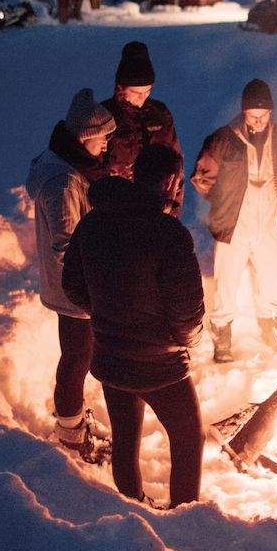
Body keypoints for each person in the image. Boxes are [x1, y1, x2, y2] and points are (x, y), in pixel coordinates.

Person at [62, 144, 205, 507]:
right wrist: (185, 342)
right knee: (188, 438)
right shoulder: (168, 234)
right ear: (171, 181)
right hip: (160, 365)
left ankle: (131, 507)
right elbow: (187, 312)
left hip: (112, 356)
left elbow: (73, 286)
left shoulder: (92, 223)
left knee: (126, 436)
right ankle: (185, 518)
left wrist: (107, 316)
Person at [26, 88, 115, 452]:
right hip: (74, 289)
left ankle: (73, 420)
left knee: (78, 354)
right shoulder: (62, 181)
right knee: (77, 357)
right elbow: (66, 245)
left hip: (75, 285)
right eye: (102, 139)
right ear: (84, 138)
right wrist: (89, 288)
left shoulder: (67, 165)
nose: (107, 145)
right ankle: (70, 434)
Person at [191, 79, 277, 362]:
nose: (259, 120)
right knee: (227, 284)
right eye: (253, 115)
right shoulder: (223, 140)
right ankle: (222, 339)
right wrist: (223, 201)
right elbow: (201, 177)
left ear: (271, 112)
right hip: (233, 226)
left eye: (264, 115)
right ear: (243, 113)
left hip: (269, 225)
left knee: (270, 282)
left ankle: (272, 331)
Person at [102, 40, 184, 216]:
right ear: (120, 87)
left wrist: (173, 210)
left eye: (148, 91)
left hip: (158, 209)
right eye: (137, 92)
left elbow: (176, 165)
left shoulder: (160, 114)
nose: (143, 97)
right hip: (120, 211)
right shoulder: (105, 117)